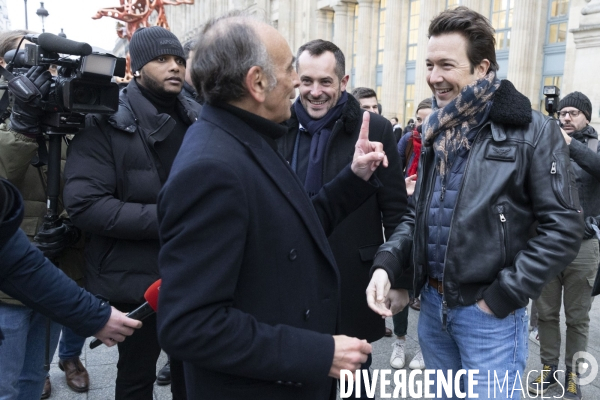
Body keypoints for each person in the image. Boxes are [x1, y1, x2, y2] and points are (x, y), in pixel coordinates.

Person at [156, 12, 390, 400]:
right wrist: (319, 352)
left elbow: (292, 228)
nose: (297, 82)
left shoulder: (246, 137)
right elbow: (191, 325)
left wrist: (354, 179)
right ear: (257, 83)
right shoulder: (212, 168)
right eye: (289, 70)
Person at [367, 6, 583, 399]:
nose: (434, 77)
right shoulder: (436, 130)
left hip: (491, 317)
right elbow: (421, 215)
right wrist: (390, 264)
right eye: (429, 64)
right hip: (432, 310)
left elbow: (564, 227)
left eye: (446, 65)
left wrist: (502, 296)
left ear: (482, 68)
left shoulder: (533, 131)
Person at [63, 26, 201, 400]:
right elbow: (85, 204)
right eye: (161, 60)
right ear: (135, 67)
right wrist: (171, 221)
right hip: (133, 278)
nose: (173, 67)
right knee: (137, 375)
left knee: (196, 371)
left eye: (178, 60)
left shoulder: (200, 117)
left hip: (196, 271)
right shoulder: (104, 121)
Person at [278, 41, 406, 398]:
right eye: (306, 81)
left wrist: (399, 277)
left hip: (351, 285)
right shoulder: (277, 126)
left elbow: (397, 211)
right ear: (295, 80)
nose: (315, 92)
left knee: (354, 389)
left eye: (325, 81)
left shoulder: (375, 129)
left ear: (343, 81)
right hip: (292, 289)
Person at [0, 30, 90, 399]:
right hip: (9, 272)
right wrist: (20, 124)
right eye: (28, 56)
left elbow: (83, 178)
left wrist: (73, 228)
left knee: (34, 376)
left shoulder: (66, 104)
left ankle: (65, 362)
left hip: (56, 263)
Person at [0, 178, 142, 398]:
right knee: (4, 385)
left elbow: (17, 259)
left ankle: (70, 357)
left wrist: (96, 316)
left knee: (33, 376)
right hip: (7, 298)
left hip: (53, 274)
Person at [528, 91, 600, 400]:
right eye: (563, 113)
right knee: (544, 314)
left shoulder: (594, 147)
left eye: (573, 113)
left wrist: (572, 146)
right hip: (546, 245)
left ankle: (572, 377)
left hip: (583, 248)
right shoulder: (545, 143)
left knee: (577, 319)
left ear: (586, 116)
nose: (566, 117)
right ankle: (547, 371)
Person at [388, 97, 433, 372]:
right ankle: (400, 341)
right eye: (418, 118)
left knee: (429, 290)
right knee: (401, 284)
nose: (422, 123)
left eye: (428, 117)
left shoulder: (450, 143)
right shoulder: (407, 142)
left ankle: (424, 348)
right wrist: (400, 188)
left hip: (434, 226)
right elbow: (390, 174)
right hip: (406, 218)